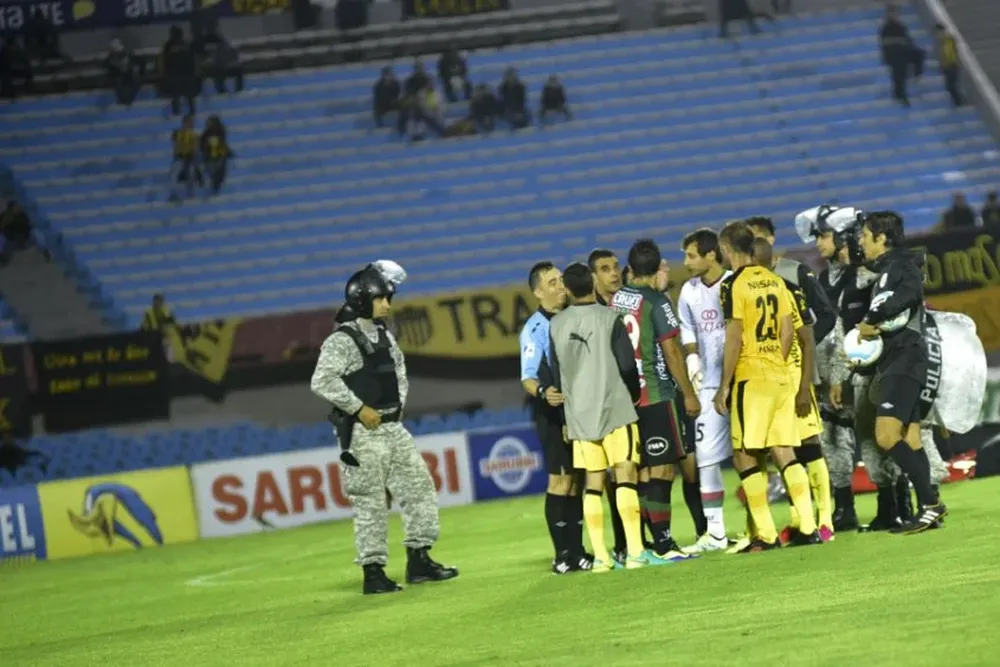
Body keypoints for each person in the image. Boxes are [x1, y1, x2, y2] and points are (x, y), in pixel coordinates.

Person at [311, 262, 458, 594]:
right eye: (381, 299)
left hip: (392, 428)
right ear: (363, 299)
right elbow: (321, 380)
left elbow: (399, 370)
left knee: (420, 489)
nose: (388, 305)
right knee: (371, 503)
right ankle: (373, 572)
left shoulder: (382, 333)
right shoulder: (341, 340)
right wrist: (358, 408)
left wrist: (397, 409)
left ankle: (419, 559)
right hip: (363, 434)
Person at [714, 221, 821, 553]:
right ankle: (807, 526)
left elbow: (734, 336)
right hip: (779, 375)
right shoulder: (776, 280)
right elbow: (788, 329)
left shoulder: (733, 285)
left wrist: (724, 384)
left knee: (744, 454)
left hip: (752, 376)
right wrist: (776, 356)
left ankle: (766, 533)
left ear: (728, 250)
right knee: (784, 451)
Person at [548, 263, 647, 572]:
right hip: (614, 408)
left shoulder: (557, 325)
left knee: (593, 482)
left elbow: (556, 372)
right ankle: (635, 553)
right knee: (625, 475)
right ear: (592, 283)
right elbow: (628, 366)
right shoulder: (609, 318)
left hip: (580, 414)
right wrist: (631, 394)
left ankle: (601, 558)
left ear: (567, 289)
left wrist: (567, 416)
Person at [608, 239, 702, 563]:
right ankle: (663, 543)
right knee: (662, 471)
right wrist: (688, 392)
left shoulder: (616, 300)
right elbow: (671, 351)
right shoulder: (657, 302)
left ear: (630, 268)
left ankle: (644, 543)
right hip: (657, 394)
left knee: (643, 472)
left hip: (627, 398)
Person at [745, 217, 836, 540]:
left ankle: (824, 519)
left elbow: (824, 315)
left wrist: (803, 348)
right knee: (780, 447)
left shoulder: (795, 273)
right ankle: (800, 518)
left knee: (807, 441)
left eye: (757, 240)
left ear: (769, 240)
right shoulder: (744, 283)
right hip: (766, 379)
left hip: (797, 371)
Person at [856, 212, 947, 533]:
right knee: (910, 436)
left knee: (885, 435)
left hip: (906, 360)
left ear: (882, 238)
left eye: (865, 236)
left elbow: (909, 294)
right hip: (898, 358)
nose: (861, 241)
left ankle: (932, 504)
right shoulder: (885, 269)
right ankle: (928, 508)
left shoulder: (901, 265)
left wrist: (873, 316)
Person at [518, 261, 590, 574]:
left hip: (579, 411)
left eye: (561, 280)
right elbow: (528, 377)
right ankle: (562, 554)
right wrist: (545, 391)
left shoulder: (574, 317)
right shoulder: (535, 327)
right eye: (551, 282)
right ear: (537, 292)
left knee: (577, 481)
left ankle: (578, 550)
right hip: (552, 412)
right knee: (560, 481)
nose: (560, 286)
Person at [677, 229, 733, 552]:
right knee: (706, 461)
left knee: (751, 454)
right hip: (707, 386)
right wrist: (694, 359)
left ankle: (764, 524)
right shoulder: (688, 291)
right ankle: (716, 532)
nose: (686, 263)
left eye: (691, 255)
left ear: (711, 254)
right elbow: (687, 329)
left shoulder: (732, 284)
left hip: (739, 383)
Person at [586, 248, 629, 559]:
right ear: (592, 277)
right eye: (605, 269)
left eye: (615, 267)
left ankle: (634, 542)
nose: (614, 273)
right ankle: (623, 545)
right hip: (603, 407)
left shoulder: (629, 306)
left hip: (630, 398)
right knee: (611, 477)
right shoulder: (588, 314)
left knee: (631, 474)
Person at [159, 26, 199, 116]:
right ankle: (188, 112)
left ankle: (181, 112)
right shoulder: (181, 44)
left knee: (179, 95)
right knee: (184, 95)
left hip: (178, 75)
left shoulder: (171, 45)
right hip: (182, 75)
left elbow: (165, 61)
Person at [879, 5, 914, 107]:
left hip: (903, 55)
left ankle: (900, 93)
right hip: (893, 56)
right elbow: (884, 41)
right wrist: (898, 41)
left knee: (902, 75)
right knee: (897, 75)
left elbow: (907, 40)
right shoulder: (886, 27)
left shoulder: (901, 26)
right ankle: (899, 94)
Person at [105, 39, 146, 107]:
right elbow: (108, 68)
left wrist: (135, 68)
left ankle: (129, 98)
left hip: (129, 78)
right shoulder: (110, 61)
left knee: (135, 77)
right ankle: (124, 99)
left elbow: (141, 63)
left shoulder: (129, 56)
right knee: (117, 81)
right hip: (120, 80)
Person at [170, 114, 201, 200]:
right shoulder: (178, 133)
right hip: (179, 158)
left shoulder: (195, 136)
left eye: (192, 123)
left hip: (190, 159)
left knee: (191, 171)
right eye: (189, 122)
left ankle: (191, 194)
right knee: (175, 171)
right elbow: (176, 146)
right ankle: (173, 194)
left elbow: (195, 149)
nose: (191, 124)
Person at [200, 115, 232, 195]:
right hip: (210, 158)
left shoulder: (220, 133)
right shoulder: (206, 134)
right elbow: (202, 146)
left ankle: (216, 185)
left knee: (219, 167)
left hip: (218, 156)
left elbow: (222, 144)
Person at [934, 24, 963, 107]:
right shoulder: (940, 42)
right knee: (950, 86)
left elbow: (950, 53)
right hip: (946, 66)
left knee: (951, 85)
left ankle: (959, 102)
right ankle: (958, 101)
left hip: (952, 65)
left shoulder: (949, 40)